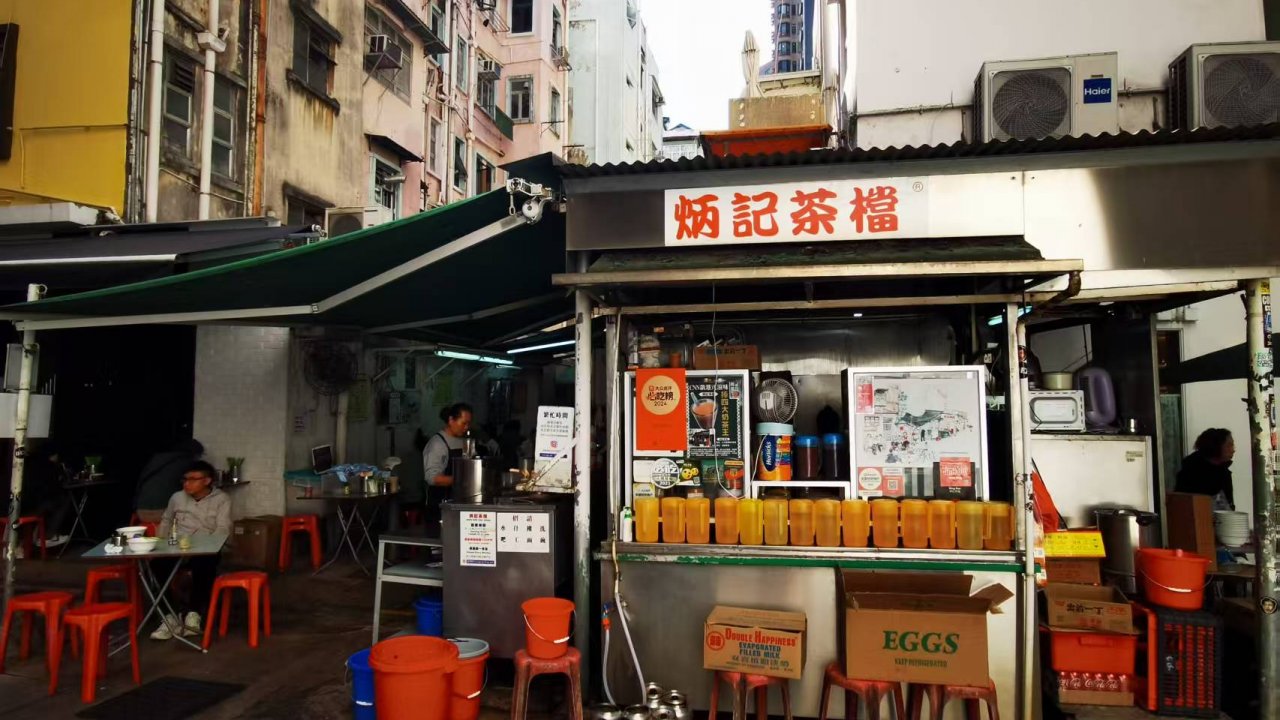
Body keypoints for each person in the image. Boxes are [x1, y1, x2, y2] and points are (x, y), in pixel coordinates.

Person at [149, 460, 231, 641]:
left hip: (206, 549)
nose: (187, 483)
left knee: (204, 566)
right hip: (177, 547)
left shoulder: (222, 499)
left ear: (207, 481)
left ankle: (194, 614)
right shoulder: (177, 498)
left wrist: (208, 546)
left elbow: (223, 528)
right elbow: (166, 520)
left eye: (193, 479)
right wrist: (161, 545)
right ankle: (169, 616)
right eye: (185, 479)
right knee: (155, 566)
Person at [419, 403, 472, 525]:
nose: (466, 427)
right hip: (440, 507)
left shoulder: (464, 442)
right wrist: (462, 480)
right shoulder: (437, 444)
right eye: (463, 423)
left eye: (468, 424)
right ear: (451, 420)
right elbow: (432, 478)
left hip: (459, 503)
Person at [134, 439, 205, 523]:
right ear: (194, 453)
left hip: (141, 512)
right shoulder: (186, 463)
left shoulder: (156, 460)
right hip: (163, 513)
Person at [1175, 428, 1236, 510]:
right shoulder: (1191, 471)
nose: (1233, 450)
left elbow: (1229, 507)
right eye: (1229, 445)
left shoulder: (1224, 472)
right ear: (1216, 446)